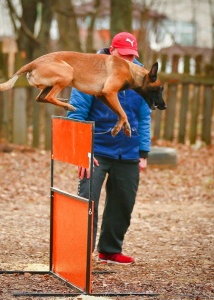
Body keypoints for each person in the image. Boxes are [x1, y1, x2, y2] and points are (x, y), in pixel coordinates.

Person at [67, 32, 151, 265]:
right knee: (87, 201)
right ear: (112, 51)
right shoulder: (91, 69)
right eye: (124, 56)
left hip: (129, 151)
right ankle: (80, 254)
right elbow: (76, 113)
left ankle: (110, 251)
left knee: (123, 203)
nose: (129, 61)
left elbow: (144, 117)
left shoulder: (141, 75)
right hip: (96, 151)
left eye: (132, 56)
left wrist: (143, 153)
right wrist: (81, 152)